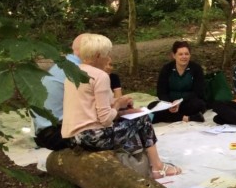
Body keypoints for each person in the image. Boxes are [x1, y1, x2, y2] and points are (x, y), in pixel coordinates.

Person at [62, 34, 181, 179]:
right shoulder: (100, 76)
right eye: (108, 54)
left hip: (72, 137)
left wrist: (122, 105)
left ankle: (141, 162)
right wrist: (118, 104)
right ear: (99, 55)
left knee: (132, 118)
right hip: (92, 137)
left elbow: (94, 108)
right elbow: (105, 119)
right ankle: (157, 166)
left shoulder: (73, 73)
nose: (109, 58)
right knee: (142, 120)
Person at [31, 33, 85, 150]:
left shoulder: (65, 64)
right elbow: (95, 113)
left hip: (43, 131)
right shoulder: (79, 70)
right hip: (56, 134)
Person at [150, 41, 206, 123]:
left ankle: (167, 117)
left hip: (187, 102)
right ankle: (187, 118)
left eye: (186, 54)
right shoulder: (167, 69)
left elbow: (198, 92)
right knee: (152, 106)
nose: (184, 57)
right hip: (170, 103)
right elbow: (161, 92)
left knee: (199, 105)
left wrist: (180, 101)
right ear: (174, 55)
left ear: (190, 55)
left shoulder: (196, 68)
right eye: (180, 54)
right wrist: (170, 104)